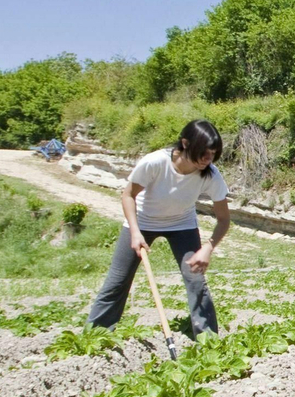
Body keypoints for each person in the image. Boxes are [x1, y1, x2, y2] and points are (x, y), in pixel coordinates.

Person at [87, 120, 231, 339]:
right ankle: (94, 336)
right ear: (185, 143)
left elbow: (223, 219)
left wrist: (208, 248)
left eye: (212, 154)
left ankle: (208, 340)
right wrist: (135, 232)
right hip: (143, 223)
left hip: (182, 225)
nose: (207, 160)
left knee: (196, 280)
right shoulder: (155, 163)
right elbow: (128, 196)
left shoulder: (210, 175)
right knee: (118, 280)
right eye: (203, 153)